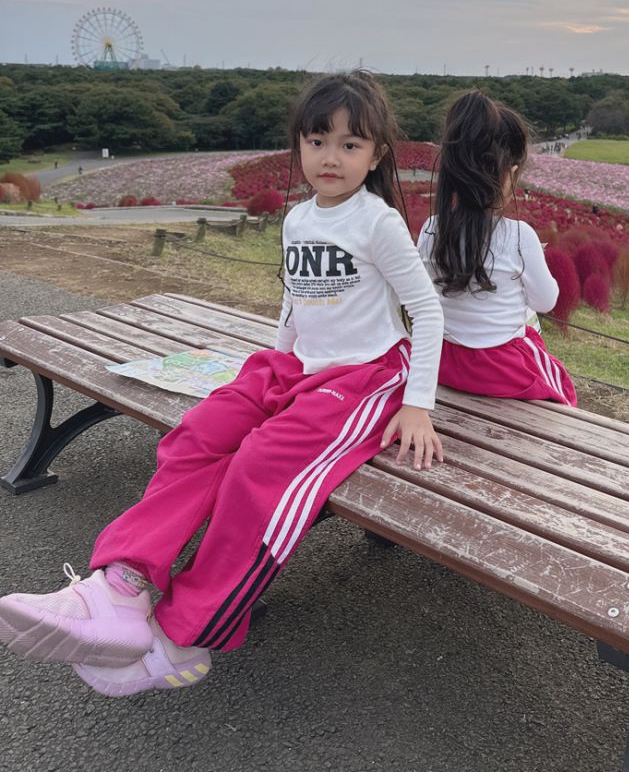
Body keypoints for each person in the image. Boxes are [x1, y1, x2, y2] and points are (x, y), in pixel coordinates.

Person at [0, 72, 444, 697]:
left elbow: (426, 311)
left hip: (363, 376)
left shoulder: (379, 223)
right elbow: (296, 301)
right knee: (197, 433)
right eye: (318, 141)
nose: (331, 157)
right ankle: (122, 586)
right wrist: (270, 370)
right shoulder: (297, 219)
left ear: (377, 156)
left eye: (351, 144)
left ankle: (183, 635)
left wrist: (418, 405)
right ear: (298, 146)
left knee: (259, 470)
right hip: (295, 368)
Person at [417, 90, 577, 407]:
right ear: (511, 174)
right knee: (562, 389)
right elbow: (547, 301)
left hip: (444, 362)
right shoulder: (520, 236)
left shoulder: (431, 228)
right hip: (501, 368)